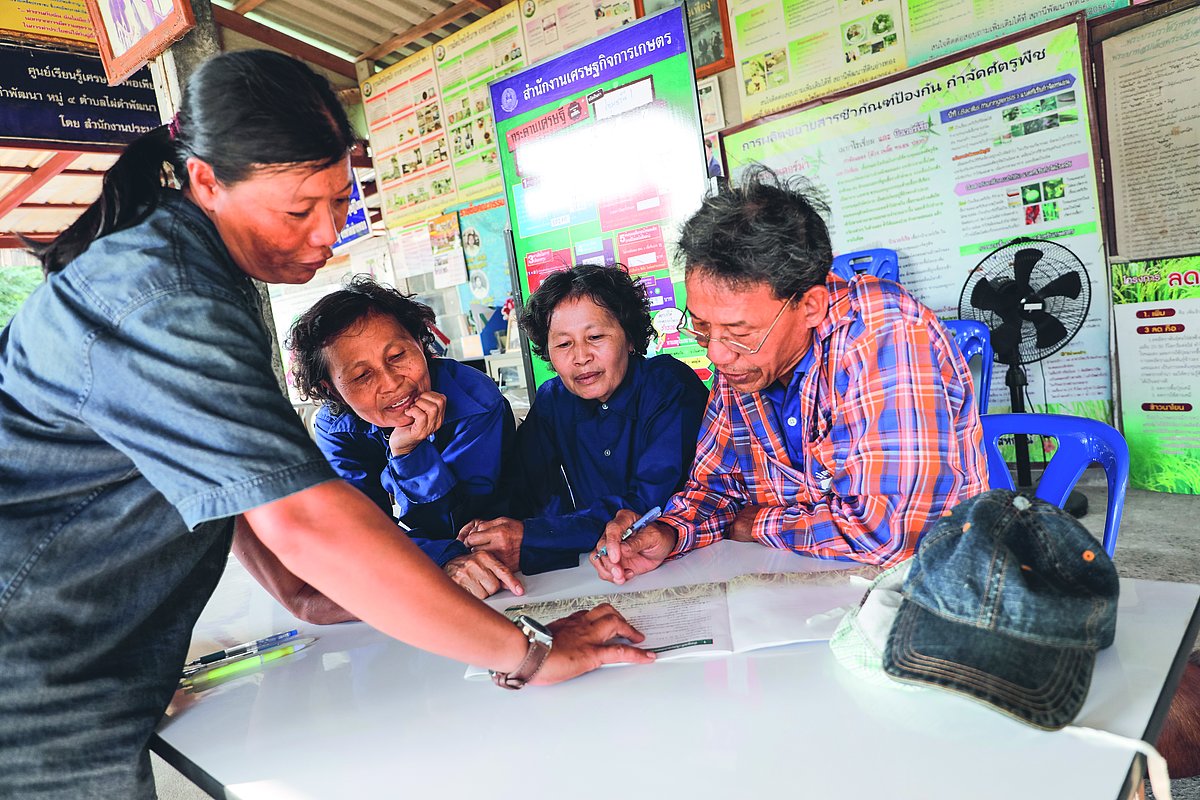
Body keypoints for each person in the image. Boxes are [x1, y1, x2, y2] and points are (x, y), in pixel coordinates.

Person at [0, 50, 652, 800]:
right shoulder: (164, 298)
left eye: (340, 202)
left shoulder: (203, 273)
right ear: (208, 181)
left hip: (81, 662)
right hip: (32, 668)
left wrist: (307, 597)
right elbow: (307, 519)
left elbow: (227, 481)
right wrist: (529, 653)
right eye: (298, 210)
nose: (325, 236)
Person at [591, 166, 987, 585]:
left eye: (739, 332)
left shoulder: (886, 332)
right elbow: (713, 489)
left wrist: (755, 524)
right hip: (803, 591)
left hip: (929, 598)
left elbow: (887, 534)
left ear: (811, 306)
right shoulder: (744, 363)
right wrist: (669, 532)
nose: (717, 354)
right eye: (703, 326)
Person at [233, 275, 521, 614]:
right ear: (331, 390)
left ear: (420, 341)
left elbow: (457, 527)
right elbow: (358, 534)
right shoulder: (336, 426)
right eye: (361, 376)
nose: (392, 382)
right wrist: (439, 559)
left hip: (508, 575)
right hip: (435, 582)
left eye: (398, 355)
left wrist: (409, 455)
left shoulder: (475, 402)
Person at [458, 265, 708, 586]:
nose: (581, 357)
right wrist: (489, 527)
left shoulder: (669, 385)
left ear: (630, 338)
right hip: (594, 569)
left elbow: (651, 501)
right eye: (564, 344)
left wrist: (535, 537)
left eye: (595, 337)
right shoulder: (554, 399)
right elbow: (523, 486)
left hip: (680, 562)